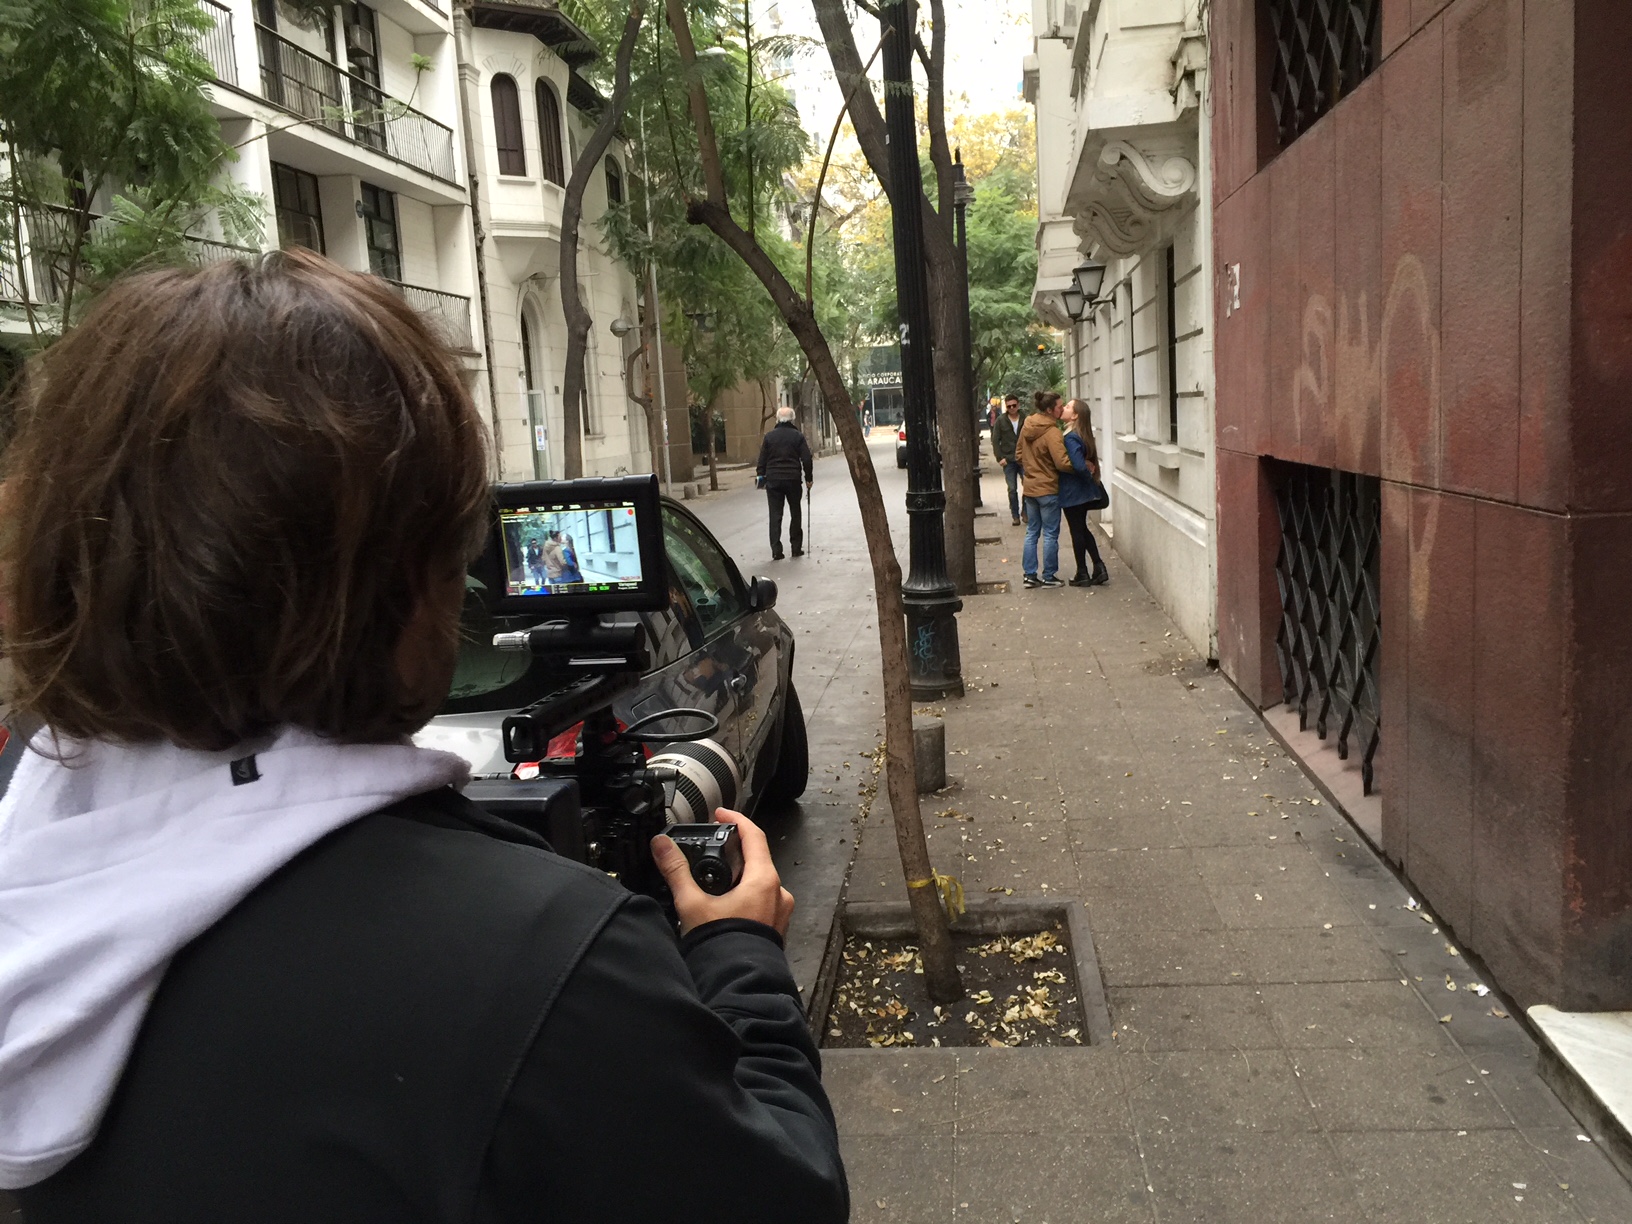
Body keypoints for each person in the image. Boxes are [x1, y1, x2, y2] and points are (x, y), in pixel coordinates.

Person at [0, 250, 848, 1222]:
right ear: (414, 582)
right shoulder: (543, 968)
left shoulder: (35, 875)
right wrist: (738, 955)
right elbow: (788, 1197)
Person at [1017, 390, 1072, 589]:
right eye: (1060, 406)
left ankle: (1029, 576)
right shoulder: (1052, 432)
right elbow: (1062, 462)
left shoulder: (1027, 425)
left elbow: (1018, 454)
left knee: (1032, 532)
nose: (1062, 409)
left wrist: (1031, 469)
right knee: (1050, 533)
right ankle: (1049, 576)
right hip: (1048, 488)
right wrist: (1079, 467)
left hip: (1030, 488)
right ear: (1049, 410)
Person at [1059, 399, 1110, 587]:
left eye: (1068, 407)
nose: (1063, 408)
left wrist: (1085, 476)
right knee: (1081, 529)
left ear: (1075, 415)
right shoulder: (1083, 435)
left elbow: (1079, 466)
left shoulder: (1071, 437)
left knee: (1077, 531)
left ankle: (1082, 572)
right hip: (1080, 491)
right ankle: (1098, 566)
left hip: (1073, 492)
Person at [755, 405, 814, 560]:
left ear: (777, 419)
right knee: (795, 512)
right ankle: (796, 548)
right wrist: (808, 478)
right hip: (793, 479)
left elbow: (762, 460)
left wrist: (761, 476)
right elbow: (806, 459)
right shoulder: (798, 436)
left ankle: (776, 550)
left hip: (773, 480)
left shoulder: (769, 437)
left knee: (775, 515)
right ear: (792, 419)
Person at [991, 393, 1026, 525]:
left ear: (1018, 405)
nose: (1012, 408)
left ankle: (1025, 513)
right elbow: (995, 440)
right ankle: (1015, 515)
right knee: (1012, 489)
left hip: (1023, 459)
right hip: (1008, 459)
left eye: (1014, 405)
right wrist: (1000, 458)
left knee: (1028, 486)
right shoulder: (1001, 420)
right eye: (1009, 406)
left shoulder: (1025, 418)